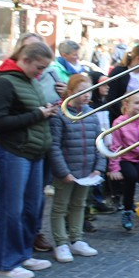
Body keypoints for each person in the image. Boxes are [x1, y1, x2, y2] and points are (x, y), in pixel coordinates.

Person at [0, 40, 59, 278]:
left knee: (31, 207)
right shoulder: (5, 81)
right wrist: (39, 114)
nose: (41, 73)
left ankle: (22, 254)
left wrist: (45, 110)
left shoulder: (27, 79)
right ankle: (4, 264)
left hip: (32, 152)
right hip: (15, 152)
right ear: (25, 60)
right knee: (12, 210)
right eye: (39, 68)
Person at [47, 74, 103, 262]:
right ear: (70, 93)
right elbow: (54, 145)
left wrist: (99, 167)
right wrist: (63, 172)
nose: (86, 95)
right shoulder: (61, 115)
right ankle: (61, 242)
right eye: (81, 92)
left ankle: (76, 238)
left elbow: (99, 142)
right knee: (61, 206)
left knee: (80, 205)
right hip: (67, 171)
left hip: (87, 171)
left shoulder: (92, 114)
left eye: (88, 91)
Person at [106, 93, 139, 230]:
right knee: (131, 177)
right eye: (137, 103)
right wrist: (114, 168)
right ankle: (128, 210)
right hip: (126, 158)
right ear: (126, 105)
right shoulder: (119, 122)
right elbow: (115, 146)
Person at [104, 44, 139, 122]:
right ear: (138, 58)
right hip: (121, 116)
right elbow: (111, 96)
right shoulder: (119, 71)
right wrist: (123, 114)